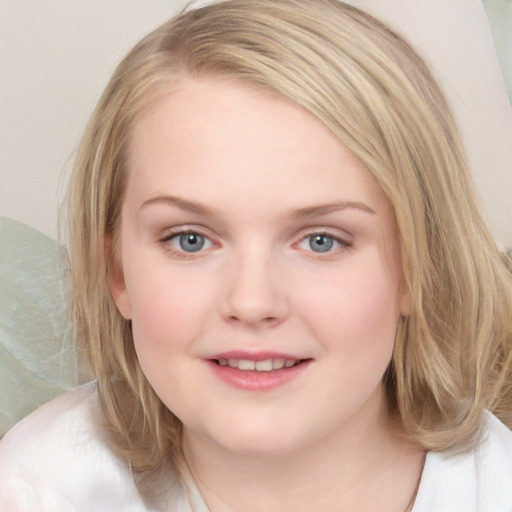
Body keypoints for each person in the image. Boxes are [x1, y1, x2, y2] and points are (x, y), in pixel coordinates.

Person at [1, 0, 512, 510]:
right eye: (190, 239)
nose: (251, 302)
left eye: (321, 241)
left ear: (417, 268)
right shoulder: (37, 490)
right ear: (118, 274)